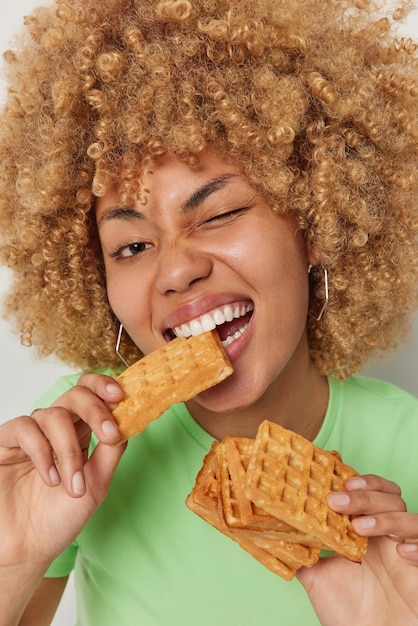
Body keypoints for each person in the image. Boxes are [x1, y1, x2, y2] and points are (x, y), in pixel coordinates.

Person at [1, 0, 418, 623]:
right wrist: (11, 558)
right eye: (132, 246)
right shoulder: (70, 454)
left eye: (219, 213)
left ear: (314, 225)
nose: (174, 271)